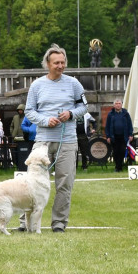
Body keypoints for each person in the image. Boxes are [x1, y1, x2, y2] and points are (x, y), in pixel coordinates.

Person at [22, 44, 87, 231]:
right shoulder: (37, 85)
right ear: (47, 64)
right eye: (56, 63)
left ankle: (59, 223)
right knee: (32, 183)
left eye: (63, 62)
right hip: (42, 140)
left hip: (67, 141)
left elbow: (84, 107)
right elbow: (29, 111)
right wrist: (45, 120)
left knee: (64, 183)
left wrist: (71, 114)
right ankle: (25, 222)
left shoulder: (74, 84)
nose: (60, 66)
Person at [104, 99, 133, 173]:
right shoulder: (110, 114)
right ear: (114, 105)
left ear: (121, 104)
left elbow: (130, 124)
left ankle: (120, 166)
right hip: (114, 137)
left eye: (119, 103)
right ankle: (117, 167)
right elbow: (107, 126)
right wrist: (108, 136)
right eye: (116, 103)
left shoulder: (126, 113)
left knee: (122, 151)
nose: (118, 105)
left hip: (123, 136)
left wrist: (130, 134)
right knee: (115, 152)